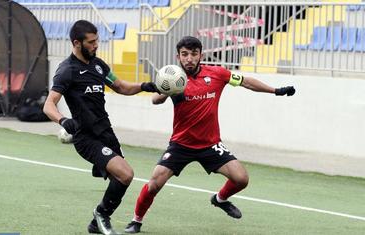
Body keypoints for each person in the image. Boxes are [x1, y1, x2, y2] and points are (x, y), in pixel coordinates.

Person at [124, 36, 296, 233]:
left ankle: (220, 199)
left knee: (241, 179)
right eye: (185, 54)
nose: (189, 58)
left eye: (193, 54)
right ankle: (136, 221)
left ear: (201, 55)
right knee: (155, 182)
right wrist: (167, 89)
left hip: (210, 144)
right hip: (181, 144)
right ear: (178, 56)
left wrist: (276, 91)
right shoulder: (174, 78)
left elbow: (246, 82)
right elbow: (155, 100)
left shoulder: (217, 74)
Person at [43, 20, 159, 235]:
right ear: (77, 43)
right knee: (126, 174)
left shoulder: (98, 66)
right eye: (92, 42)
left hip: (106, 132)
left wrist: (144, 86)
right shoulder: (67, 71)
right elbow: (48, 105)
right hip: (86, 137)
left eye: (97, 40)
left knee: (120, 178)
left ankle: (95, 223)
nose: (96, 45)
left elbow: (121, 87)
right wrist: (63, 121)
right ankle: (101, 214)